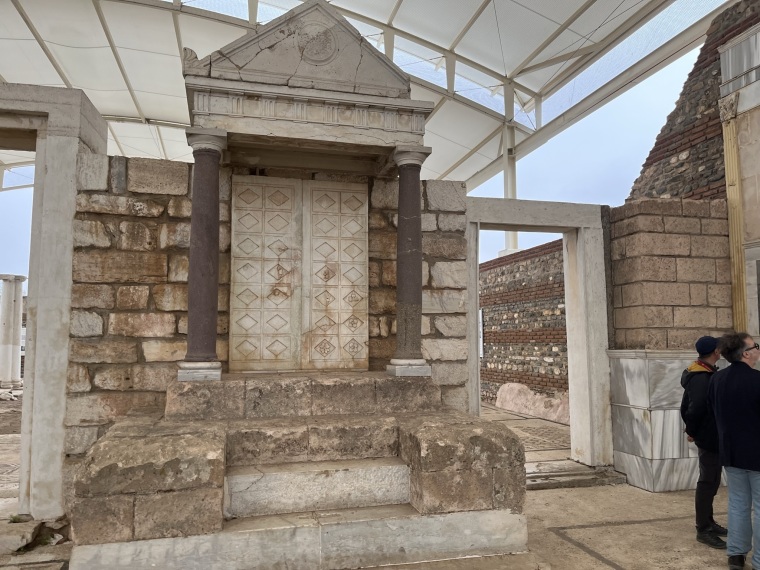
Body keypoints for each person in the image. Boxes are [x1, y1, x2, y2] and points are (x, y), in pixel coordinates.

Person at [708, 332, 760, 570]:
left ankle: (736, 555)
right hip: (757, 453)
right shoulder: (757, 380)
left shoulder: (717, 379)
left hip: (730, 452)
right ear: (746, 353)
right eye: (755, 346)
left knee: (738, 503)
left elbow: (714, 413)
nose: (758, 350)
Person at [681, 335, 727, 549]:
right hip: (708, 435)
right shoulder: (701, 377)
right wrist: (692, 430)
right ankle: (703, 528)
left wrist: (692, 428)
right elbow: (695, 407)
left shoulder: (702, 371)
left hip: (710, 434)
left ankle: (708, 521)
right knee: (707, 481)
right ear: (716, 351)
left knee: (712, 480)